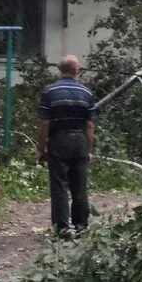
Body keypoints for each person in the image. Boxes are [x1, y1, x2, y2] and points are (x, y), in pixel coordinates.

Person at [38, 55, 96, 236]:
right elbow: (89, 125)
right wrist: (89, 148)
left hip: (58, 141)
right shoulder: (86, 93)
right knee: (79, 187)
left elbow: (44, 123)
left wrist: (41, 148)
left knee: (59, 187)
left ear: (60, 69)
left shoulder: (49, 92)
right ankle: (81, 226)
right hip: (79, 141)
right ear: (76, 70)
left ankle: (62, 228)